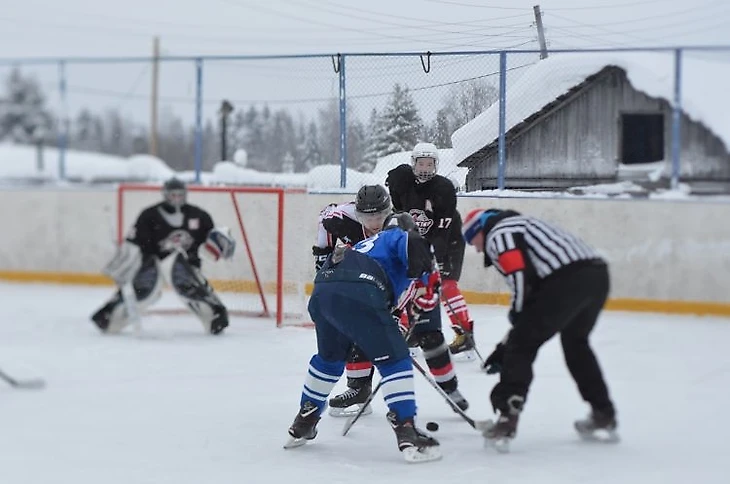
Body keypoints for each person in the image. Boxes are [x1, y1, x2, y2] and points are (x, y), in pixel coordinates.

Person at [285, 211, 452, 463]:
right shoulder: (400, 236)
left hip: (324, 291)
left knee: (329, 360)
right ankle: (406, 429)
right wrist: (428, 275)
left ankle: (305, 419)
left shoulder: (364, 244)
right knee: (396, 360)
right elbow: (413, 252)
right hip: (361, 289)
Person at [461, 207, 618, 451]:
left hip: (565, 281)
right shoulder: (522, 224)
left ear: (479, 231)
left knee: (520, 346)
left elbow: (520, 279)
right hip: (597, 277)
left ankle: (506, 420)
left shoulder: (499, 233)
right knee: (576, 345)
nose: (477, 249)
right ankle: (603, 413)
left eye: (473, 241)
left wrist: (512, 336)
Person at [313, 185, 469, 417]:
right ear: (358, 214)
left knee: (430, 337)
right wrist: (323, 259)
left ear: (389, 212)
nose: (375, 223)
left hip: (420, 286)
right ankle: (358, 388)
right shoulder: (342, 219)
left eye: (380, 217)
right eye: (368, 217)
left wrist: (399, 318)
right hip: (377, 287)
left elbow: (415, 281)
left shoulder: (404, 233)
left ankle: (450, 389)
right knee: (360, 327)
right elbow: (325, 219)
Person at [91, 178, 236, 335]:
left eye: (180, 195)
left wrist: (220, 244)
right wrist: (124, 266)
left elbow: (210, 244)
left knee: (190, 284)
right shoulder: (149, 215)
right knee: (144, 291)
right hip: (153, 266)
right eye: (172, 195)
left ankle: (214, 316)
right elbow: (133, 245)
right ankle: (109, 315)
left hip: (188, 266)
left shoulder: (199, 216)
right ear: (165, 195)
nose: (176, 199)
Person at [385, 142, 476, 356]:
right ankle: (413, 333)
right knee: (412, 284)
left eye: (429, 163)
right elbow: (399, 215)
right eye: (421, 163)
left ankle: (465, 334)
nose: (425, 168)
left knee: (446, 285)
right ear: (413, 164)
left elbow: (443, 230)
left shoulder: (443, 189)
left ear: (436, 165)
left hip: (449, 239)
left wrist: (435, 253)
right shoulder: (401, 181)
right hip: (419, 240)